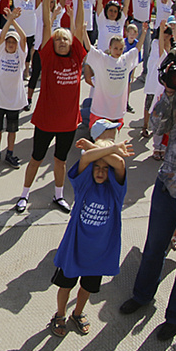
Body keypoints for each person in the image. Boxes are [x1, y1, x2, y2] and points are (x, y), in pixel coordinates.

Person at [15, 0, 86, 214]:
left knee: (61, 160)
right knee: (35, 159)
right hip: (45, 120)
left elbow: (78, 26)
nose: (63, 41)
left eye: (66, 39)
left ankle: (58, 195)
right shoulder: (48, 57)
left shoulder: (77, 56)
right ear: (53, 43)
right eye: (59, 40)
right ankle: (24, 195)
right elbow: (46, 23)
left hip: (68, 123)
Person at [49, 136, 132, 337]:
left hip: (98, 253)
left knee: (86, 288)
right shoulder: (84, 185)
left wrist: (97, 148)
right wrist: (109, 149)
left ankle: (77, 313)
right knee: (66, 286)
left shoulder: (115, 191)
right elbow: (86, 159)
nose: (101, 171)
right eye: (97, 167)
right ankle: (60, 315)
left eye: (105, 168)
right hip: (74, 249)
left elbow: (119, 163)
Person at [119, 58, 176, 340]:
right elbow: (156, 126)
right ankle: (142, 295)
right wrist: (168, 91)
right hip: (169, 185)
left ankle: (175, 316)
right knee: (155, 246)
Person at [0, 8, 28, 169]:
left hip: (14, 101)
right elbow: (2, 36)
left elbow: (23, 37)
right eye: (8, 42)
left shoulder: (21, 56)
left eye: (13, 42)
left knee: (11, 129)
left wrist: (13, 20)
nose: (10, 44)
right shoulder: (0, 53)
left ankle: (9, 153)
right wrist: (8, 20)